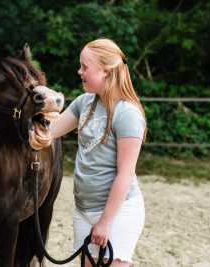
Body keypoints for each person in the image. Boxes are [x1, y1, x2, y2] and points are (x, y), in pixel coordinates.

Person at [29, 38, 146, 267]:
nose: (79, 71)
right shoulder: (85, 103)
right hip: (83, 210)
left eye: (85, 67)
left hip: (117, 213)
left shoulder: (128, 114)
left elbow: (125, 174)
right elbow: (51, 132)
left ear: (106, 71)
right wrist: (32, 118)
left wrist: (105, 222)